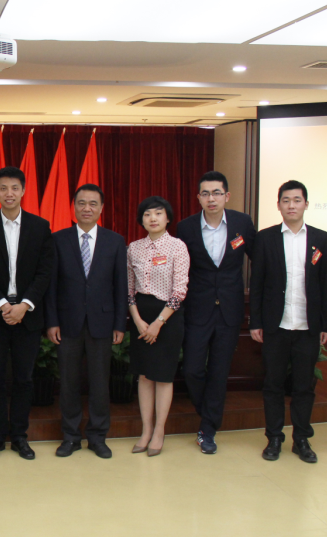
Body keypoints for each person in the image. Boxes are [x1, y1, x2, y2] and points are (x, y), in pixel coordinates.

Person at [0, 167, 55, 461]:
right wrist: (1, 304)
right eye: (3, 188)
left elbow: (45, 271)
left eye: (15, 188)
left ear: (23, 191)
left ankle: (20, 436)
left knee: (24, 379)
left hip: (27, 316)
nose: (9, 193)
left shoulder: (40, 226)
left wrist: (24, 305)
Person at [249, 180, 327, 464]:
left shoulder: (321, 238)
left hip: (308, 327)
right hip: (276, 326)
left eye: (297, 200)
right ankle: (274, 437)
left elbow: (326, 284)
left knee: (304, 387)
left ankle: (301, 439)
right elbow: (257, 283)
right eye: (286, 200)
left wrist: (325, 324)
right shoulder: (266, 238)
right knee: (273, 384)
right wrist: (255, 321)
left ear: (306, 204)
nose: (292, 205)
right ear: (278, 205)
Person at [175, 171, 256, 454]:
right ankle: (208, 411)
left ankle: (207, 430)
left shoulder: (242, 223)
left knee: (220, 372)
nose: (212, 198)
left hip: (230, 310)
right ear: (198, 197)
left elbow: (258, 259)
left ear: (227, 196)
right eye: (206, 193)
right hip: (197, 308)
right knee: (192, 369)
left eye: (217, 193)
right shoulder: (185, 228)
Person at [45, 184, 127, 459]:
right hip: (67, 322)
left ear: (101, 208)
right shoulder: (58, 239)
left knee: (100, 382)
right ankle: (70, 437)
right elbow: (51, 285)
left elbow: (121, 286)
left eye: (93, 203)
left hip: (102, 323)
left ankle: (97, 436)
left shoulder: (115, 241)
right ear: (74, 207)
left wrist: (119, 324)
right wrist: (52, 321)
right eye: (81, 203)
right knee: (68, 382)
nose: (87, 208)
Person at [127, 196, 190, 457]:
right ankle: (146, 430)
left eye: (158, 213)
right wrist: (138, 320)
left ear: (167, 218)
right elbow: (129, 289)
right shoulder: (133, 248)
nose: (152, 218)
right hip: (140, 316)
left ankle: (159, 431)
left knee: (163, 376)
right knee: (144, 375)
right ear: (141, 220)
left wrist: (157, 324)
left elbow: (180, 291)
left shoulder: (177, 247)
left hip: (168, 317)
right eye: (147, 214)